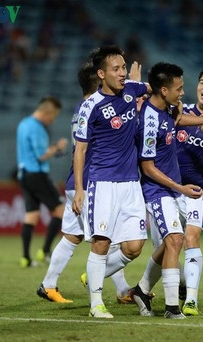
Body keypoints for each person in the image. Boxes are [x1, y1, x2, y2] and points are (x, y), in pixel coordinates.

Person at [130, 62, 203, 319]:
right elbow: (167, 124)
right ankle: (140, 289)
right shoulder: (176, 108)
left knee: (185, 239)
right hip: (167, 186)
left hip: (195, 189)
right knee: (170, 242)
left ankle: (188, 300)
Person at [36, 61, 142, 304]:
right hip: (92, 181)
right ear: (99, 82)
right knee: (106, 238)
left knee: (73, 235)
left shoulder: (80, 109)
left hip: (79, 180)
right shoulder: (93, 107)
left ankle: (49, 283)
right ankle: (119, 289)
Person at [72, 45, 151, 319]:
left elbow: (156, 91)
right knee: (102, 243)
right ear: (101, 74)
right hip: (102, 183)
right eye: (116, 69)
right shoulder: (89, 107)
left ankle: (94, 275)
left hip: (131, 184)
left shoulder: (133, 89)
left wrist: (143, 87)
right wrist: (80, 189)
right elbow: (80, 150)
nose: (122, 73)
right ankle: (96, 304)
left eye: (124, 67)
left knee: (134, 247)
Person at [16, 96, 68, 268]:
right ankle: (45, 251)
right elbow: (42, 155)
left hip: (23, 174)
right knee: (60, 211)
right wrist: (58, 147)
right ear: (47, 113)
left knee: (31, 215)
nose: (53, 120)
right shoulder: (37, 128)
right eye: (53, 116)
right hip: (37, 174)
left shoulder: (23, 124)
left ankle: (25, 258)